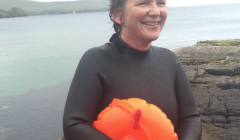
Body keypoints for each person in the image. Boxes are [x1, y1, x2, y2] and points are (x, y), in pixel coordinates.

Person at [63, 0, 202, 139]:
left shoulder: (169, 59)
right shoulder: (96, 59)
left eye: (160, 3)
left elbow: (190, 118)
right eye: (143, 3)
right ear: (118, 14)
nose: (156, 11)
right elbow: (74, 124)